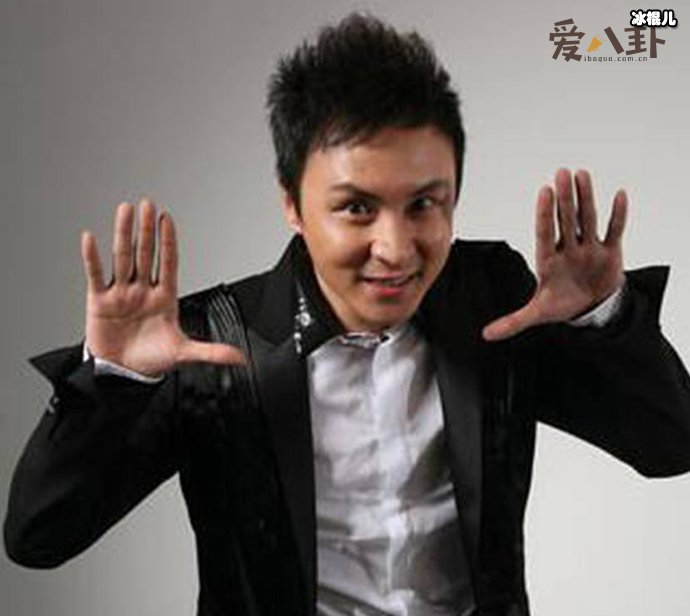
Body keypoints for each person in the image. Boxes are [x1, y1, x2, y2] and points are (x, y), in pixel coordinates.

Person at [4, 12, 690, 616]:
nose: (395, 249)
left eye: (424, 204)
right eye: (357, 207)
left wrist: (602, 319)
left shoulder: (492, 301)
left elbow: (670, 446)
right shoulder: (211, 345)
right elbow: (39, 537)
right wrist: (115, 381)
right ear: (292, 204)